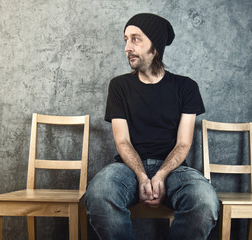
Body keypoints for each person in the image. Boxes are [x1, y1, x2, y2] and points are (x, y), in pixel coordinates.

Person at [85, 13, 219, 240]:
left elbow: (184, 143)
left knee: (205, 202)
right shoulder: (119, 86)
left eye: (135, 39)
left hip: (175, 170)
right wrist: (142, 177)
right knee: (99, 194)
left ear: (154, 46)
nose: (127, 47)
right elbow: (122, 141)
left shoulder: (186, 87)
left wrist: (161, 176)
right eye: (126, 39)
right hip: (128, 168)